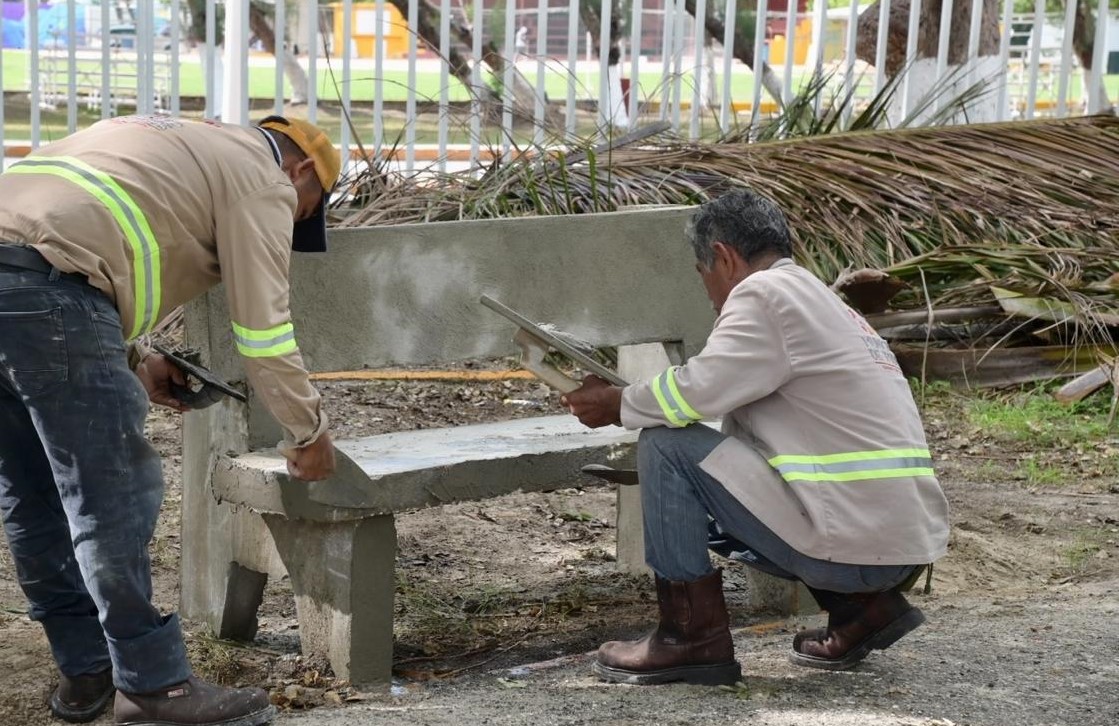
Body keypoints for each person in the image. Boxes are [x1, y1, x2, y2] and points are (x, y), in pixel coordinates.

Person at [0, 114, 341, 725]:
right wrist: (308, 431)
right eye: (304, 211)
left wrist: (135, 357)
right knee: (111, 496)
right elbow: (262, 332)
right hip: (49, 295)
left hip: (28, 283)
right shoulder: (263, 178)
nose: (293, 221)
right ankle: (154, 686)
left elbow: (72, 243)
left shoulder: (168, 138)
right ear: (302, 171)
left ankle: (87, 671)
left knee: (30, 493)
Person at [561, 189, 950, 685]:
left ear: (723, 257)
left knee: (666, 445)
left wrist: (617, 403)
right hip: (897, 545)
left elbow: (698, 390)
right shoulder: (821, 300)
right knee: (716, 474)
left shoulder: (762, 293)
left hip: (855, 547)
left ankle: (690, 639)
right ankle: (862, 611)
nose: (708, 293)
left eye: (702, 274)